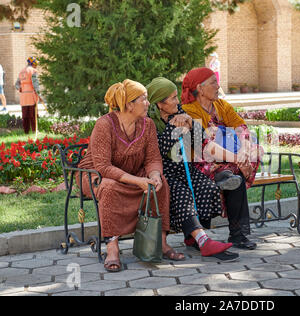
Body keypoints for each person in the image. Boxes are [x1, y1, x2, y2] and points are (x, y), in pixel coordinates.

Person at [77, 79, 179, 272]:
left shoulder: (147, 125)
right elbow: (103, 167)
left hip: (132, 173)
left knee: (161, 184)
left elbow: (153, 158)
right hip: (95, 176)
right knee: (108, 187)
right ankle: (112, 247)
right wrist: (137, 181)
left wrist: (155, 175)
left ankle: (161, 242)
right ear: (129, 104)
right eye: (144, 99)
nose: (148, 103)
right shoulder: (104, 124)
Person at [147, 77, 239, 262]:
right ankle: (204, 241)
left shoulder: (179, 112)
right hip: (162, 172)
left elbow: (199, 143)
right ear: (160, 104)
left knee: (207, 187)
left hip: (183, 167)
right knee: (182, 193)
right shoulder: (149, 122)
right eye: (172, 98)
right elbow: (157, 151)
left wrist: (191, 123)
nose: (177, 102)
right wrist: (173, 128)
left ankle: (192, 237)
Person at [182, 67, 263, 250]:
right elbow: (205, 146)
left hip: (230, 158)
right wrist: (238, 159)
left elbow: (241, 127)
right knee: (234, 177)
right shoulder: (189, 111)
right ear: (200, 88)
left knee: (253, 152)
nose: (218, 86)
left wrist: (243, 151)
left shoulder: (222, 106)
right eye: (213, 82)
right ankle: (237, 234)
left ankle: (231, 173)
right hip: (204, 160)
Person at [15, 57, 42, 134]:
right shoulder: (33, 71)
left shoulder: (21, 72)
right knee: (33, 114)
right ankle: (35, 131)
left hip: (23, 97)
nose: (36, 65)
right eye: (36, 64)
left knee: (25, 115)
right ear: (32, 63)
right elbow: (35, 83)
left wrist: (21, 88)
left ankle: (26, 131)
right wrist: (39, 95)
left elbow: (16, 84)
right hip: (31, 96)